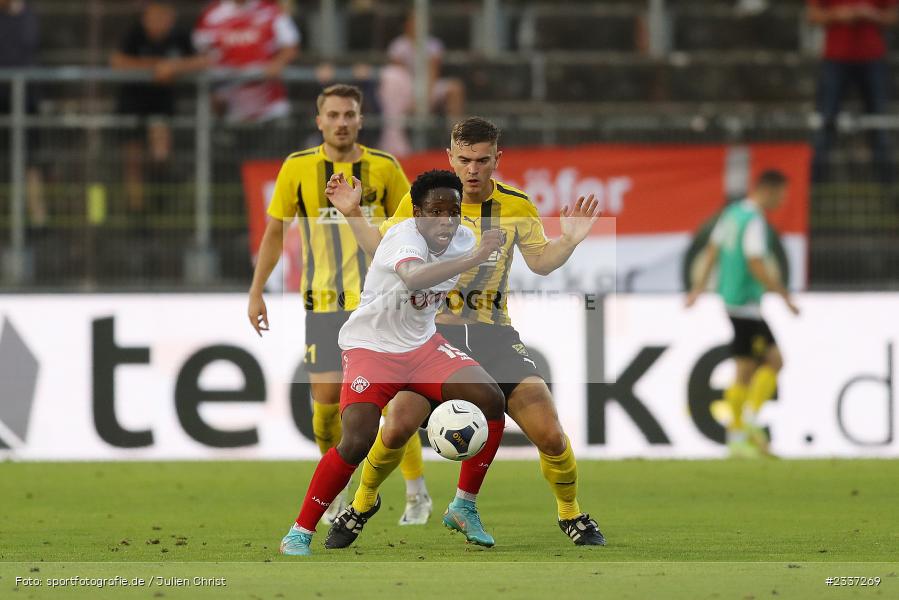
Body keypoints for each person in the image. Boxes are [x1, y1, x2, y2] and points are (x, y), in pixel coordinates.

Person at [327, 117, 607, 548]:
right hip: (430, 339)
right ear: (450, 158)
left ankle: (570, 513)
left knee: (549, 431)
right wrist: (352, 214)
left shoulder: (516, 205)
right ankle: (363, 502)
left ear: (498, 158)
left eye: (482, 160)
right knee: (397, 427)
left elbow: (541, 262)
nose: (473, 169)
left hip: (494, 336)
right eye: (464, 160)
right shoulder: (421, 203)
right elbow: (382, 250)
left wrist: (568, 241)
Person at [278, 170, 507, 556]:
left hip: (422, 347)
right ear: (417, 212)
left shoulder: (464, 238)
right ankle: (299, 531)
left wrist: (355, 216)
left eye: (453, 211)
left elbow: (378, 249)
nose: (446, 221)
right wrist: (473, 257)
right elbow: (415, 278)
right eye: (436, 212)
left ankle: (463, 506)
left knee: (492, 400)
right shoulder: (407, 236)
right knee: (356, 441)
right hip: (371, 348)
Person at [248, 84, 430, 526]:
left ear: (361, 120)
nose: (341, 122)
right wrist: (257, 291)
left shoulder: (384, 168)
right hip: (323, 304)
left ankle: (416, 492)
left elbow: (410, 227)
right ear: (319, 121)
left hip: (378, 304)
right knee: (327, 407)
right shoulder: (297, 168)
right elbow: (274, 231)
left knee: (389, 404)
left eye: (349, 114)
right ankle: (338, 491)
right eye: (333, 115)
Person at [686, 170, 800, 458]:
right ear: (768, 190)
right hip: (747, 304)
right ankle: (747, 425)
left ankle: (737, 437)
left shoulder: (731, 214)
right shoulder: (754, 221)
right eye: (782, 194)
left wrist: (699, 287)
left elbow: (712, 250)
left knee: (745, 369)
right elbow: (755, 262)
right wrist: (784, 296)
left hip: (730, 300)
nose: (783, 200)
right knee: (775, 361)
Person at [111, 0, 206, 215]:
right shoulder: (134, 34)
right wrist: (154, 68)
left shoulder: (180, 36)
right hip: (132, 104)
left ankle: (159, 199)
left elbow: (203, 61)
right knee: (133, 162)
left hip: (161, 105)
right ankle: (137, 213)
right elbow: (117, 62)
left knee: (160, 155)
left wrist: (173, 67)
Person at [807, 0, 897, 183]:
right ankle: (814, 187)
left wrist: (871, 15)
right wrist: (838, 15)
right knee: (825, 122)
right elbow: (812, 15)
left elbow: (893, 16)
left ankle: (889, 188)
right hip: (835, 59)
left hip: (872, 59)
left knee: (879, 125)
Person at [193, 0, 300, 123]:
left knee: (278, 139)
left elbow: (291, 45)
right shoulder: (211, 15)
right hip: (232, 106)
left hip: (270, 105)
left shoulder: (271, 10)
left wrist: (278, 63)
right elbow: (203, 54)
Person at [377, 10, 465, 157]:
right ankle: (395, 140)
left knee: (455, 87)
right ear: (407, 25)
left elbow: (433, 73)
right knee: (392, 83)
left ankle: (458, 138)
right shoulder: (398, 45)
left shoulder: (433, 44)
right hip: (406, 88)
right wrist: (413, 98)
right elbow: (397, 77)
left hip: (429, 86)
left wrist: (427, 98)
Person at [0, 0, 45, 230]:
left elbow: (22, 52)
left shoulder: (28, 15)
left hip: (24, 100)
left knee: (30, 162)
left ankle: (37, 218)